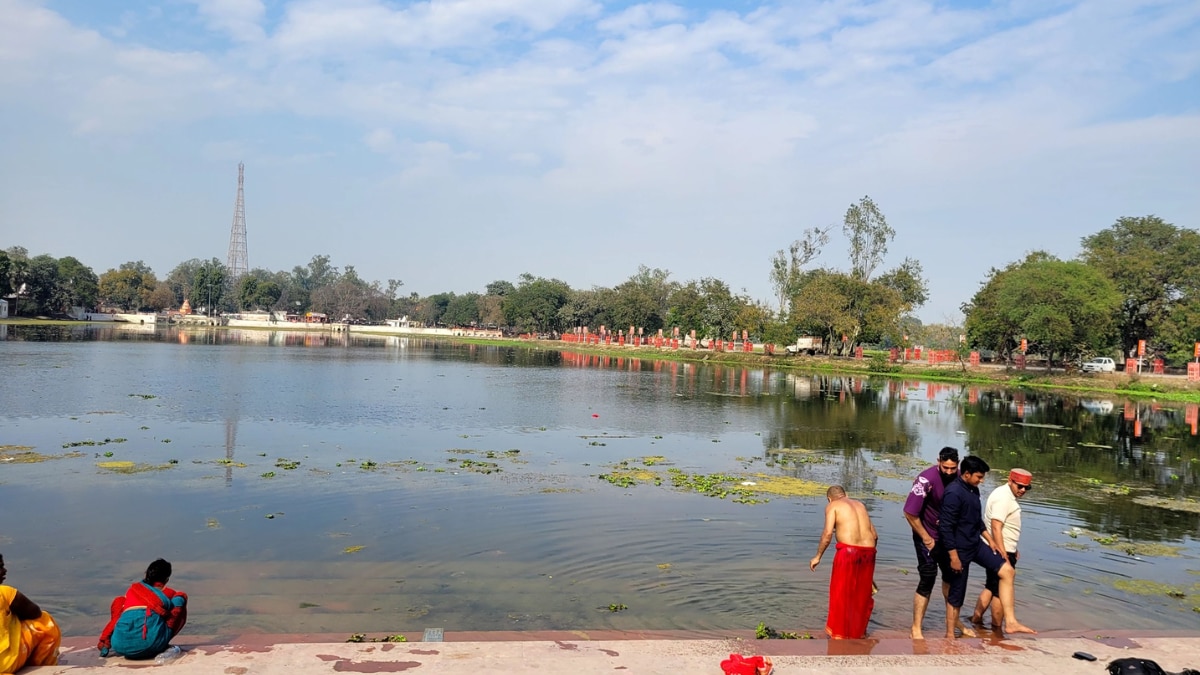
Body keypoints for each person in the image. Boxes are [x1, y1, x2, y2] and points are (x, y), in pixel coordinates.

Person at [939, 456, 1036, 638]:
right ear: (966, 474)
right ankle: (950, 635)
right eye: (979, 477)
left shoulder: (973, 490)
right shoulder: (953, 493)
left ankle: (1011, 621)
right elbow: (945, 527)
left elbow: (977, 521)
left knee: (1007, 571)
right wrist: (953, 556)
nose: (982, 481)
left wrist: (990, 540)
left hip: (976, 543)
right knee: (957, 594)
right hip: (959, 549)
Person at [902, 446, 960, 639]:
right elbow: (909, 513)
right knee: (928, 577)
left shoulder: (960, 478)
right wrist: (927, 540)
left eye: (953, 468)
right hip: (926, 534)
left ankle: (951, 621)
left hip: (948, 538)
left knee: (952, 577)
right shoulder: (926, 480)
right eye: (946, 468)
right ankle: (916, 627)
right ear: (938, 462)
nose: (949, 472)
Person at [810, 485, 878, 639]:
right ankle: (858, 633)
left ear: (829, 498)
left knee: (841, 593)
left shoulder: (832, 506)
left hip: (848, 552)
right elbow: (874, 535)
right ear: (846, 494)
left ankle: (839, 635)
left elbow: (827, 533)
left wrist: (818, 556)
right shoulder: (860, 505)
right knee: (862, 596)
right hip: (869, 552)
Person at [970, 468, 1033, 629]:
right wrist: (1002, 551)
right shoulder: (1004, 498)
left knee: (991, 586)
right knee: (999, 590)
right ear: (1010, 481)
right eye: (1020, 486)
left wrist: (1013, 548)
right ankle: (998, 628)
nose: (1023, 490)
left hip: (1002, 548)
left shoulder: (1004, 494)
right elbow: (996, 526)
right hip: (1000, 550)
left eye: (1026, 487)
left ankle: (976, 619)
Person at [98, 559, 188, 660]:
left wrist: (105, 641)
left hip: (119, 646)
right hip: (151, 645)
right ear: (166, 580)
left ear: (146, 574)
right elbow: (169, 614)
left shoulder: (132, 591)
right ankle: (160, 640)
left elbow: (116, 619)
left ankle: (125, 639)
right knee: (181, 597)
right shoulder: (165, 596)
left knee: (119, 602)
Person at [0, 552, 62, 673]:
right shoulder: (5, 593)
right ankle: (42, 664)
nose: (5, 570)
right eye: (0, 567)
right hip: (4, 664)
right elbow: (34, 612)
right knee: (44, 621)